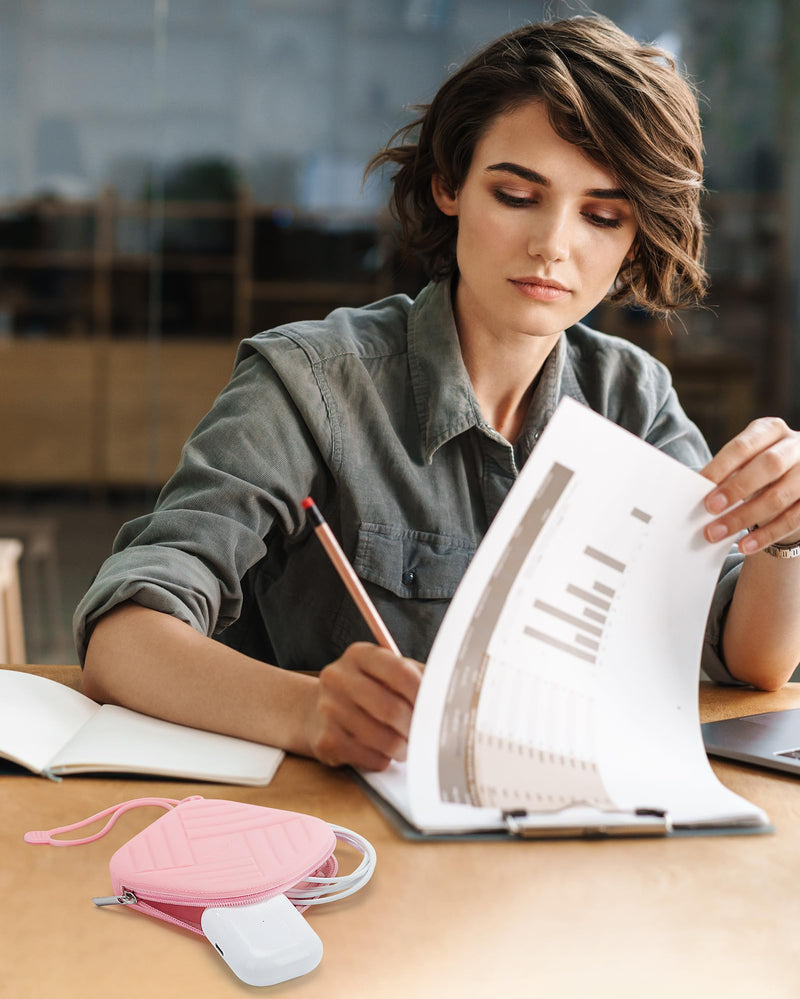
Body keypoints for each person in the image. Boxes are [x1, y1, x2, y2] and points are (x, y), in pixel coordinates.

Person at [77, 14, 800, 772]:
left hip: (561, 839)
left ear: (632, 240)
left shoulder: (634, 398)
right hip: (330, 842)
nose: (553, 243)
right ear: (449, 186)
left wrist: (782, 532)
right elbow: (122, 637)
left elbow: (749, 660)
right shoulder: (310, 385)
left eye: (601, 215)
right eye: (518, 195)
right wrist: (311, 709)